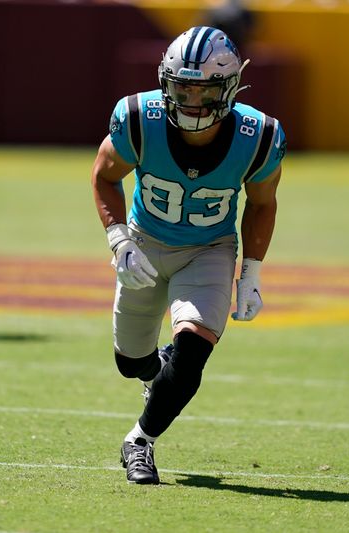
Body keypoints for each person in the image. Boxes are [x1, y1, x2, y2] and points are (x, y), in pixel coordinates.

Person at [91, 26, 286, 484]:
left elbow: (261, 203)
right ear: (166, 81)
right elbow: (104, 175)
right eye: (182, 87)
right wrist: (118, 237)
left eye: (205, 91)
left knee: (194, 348)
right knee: (131, 362)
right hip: (145, 241)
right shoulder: (139, 118)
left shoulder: (258, 135)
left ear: (232, 86)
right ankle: (156, 371)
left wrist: (251, 273)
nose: (191, 102)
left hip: (209, 250)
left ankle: (140, 441)